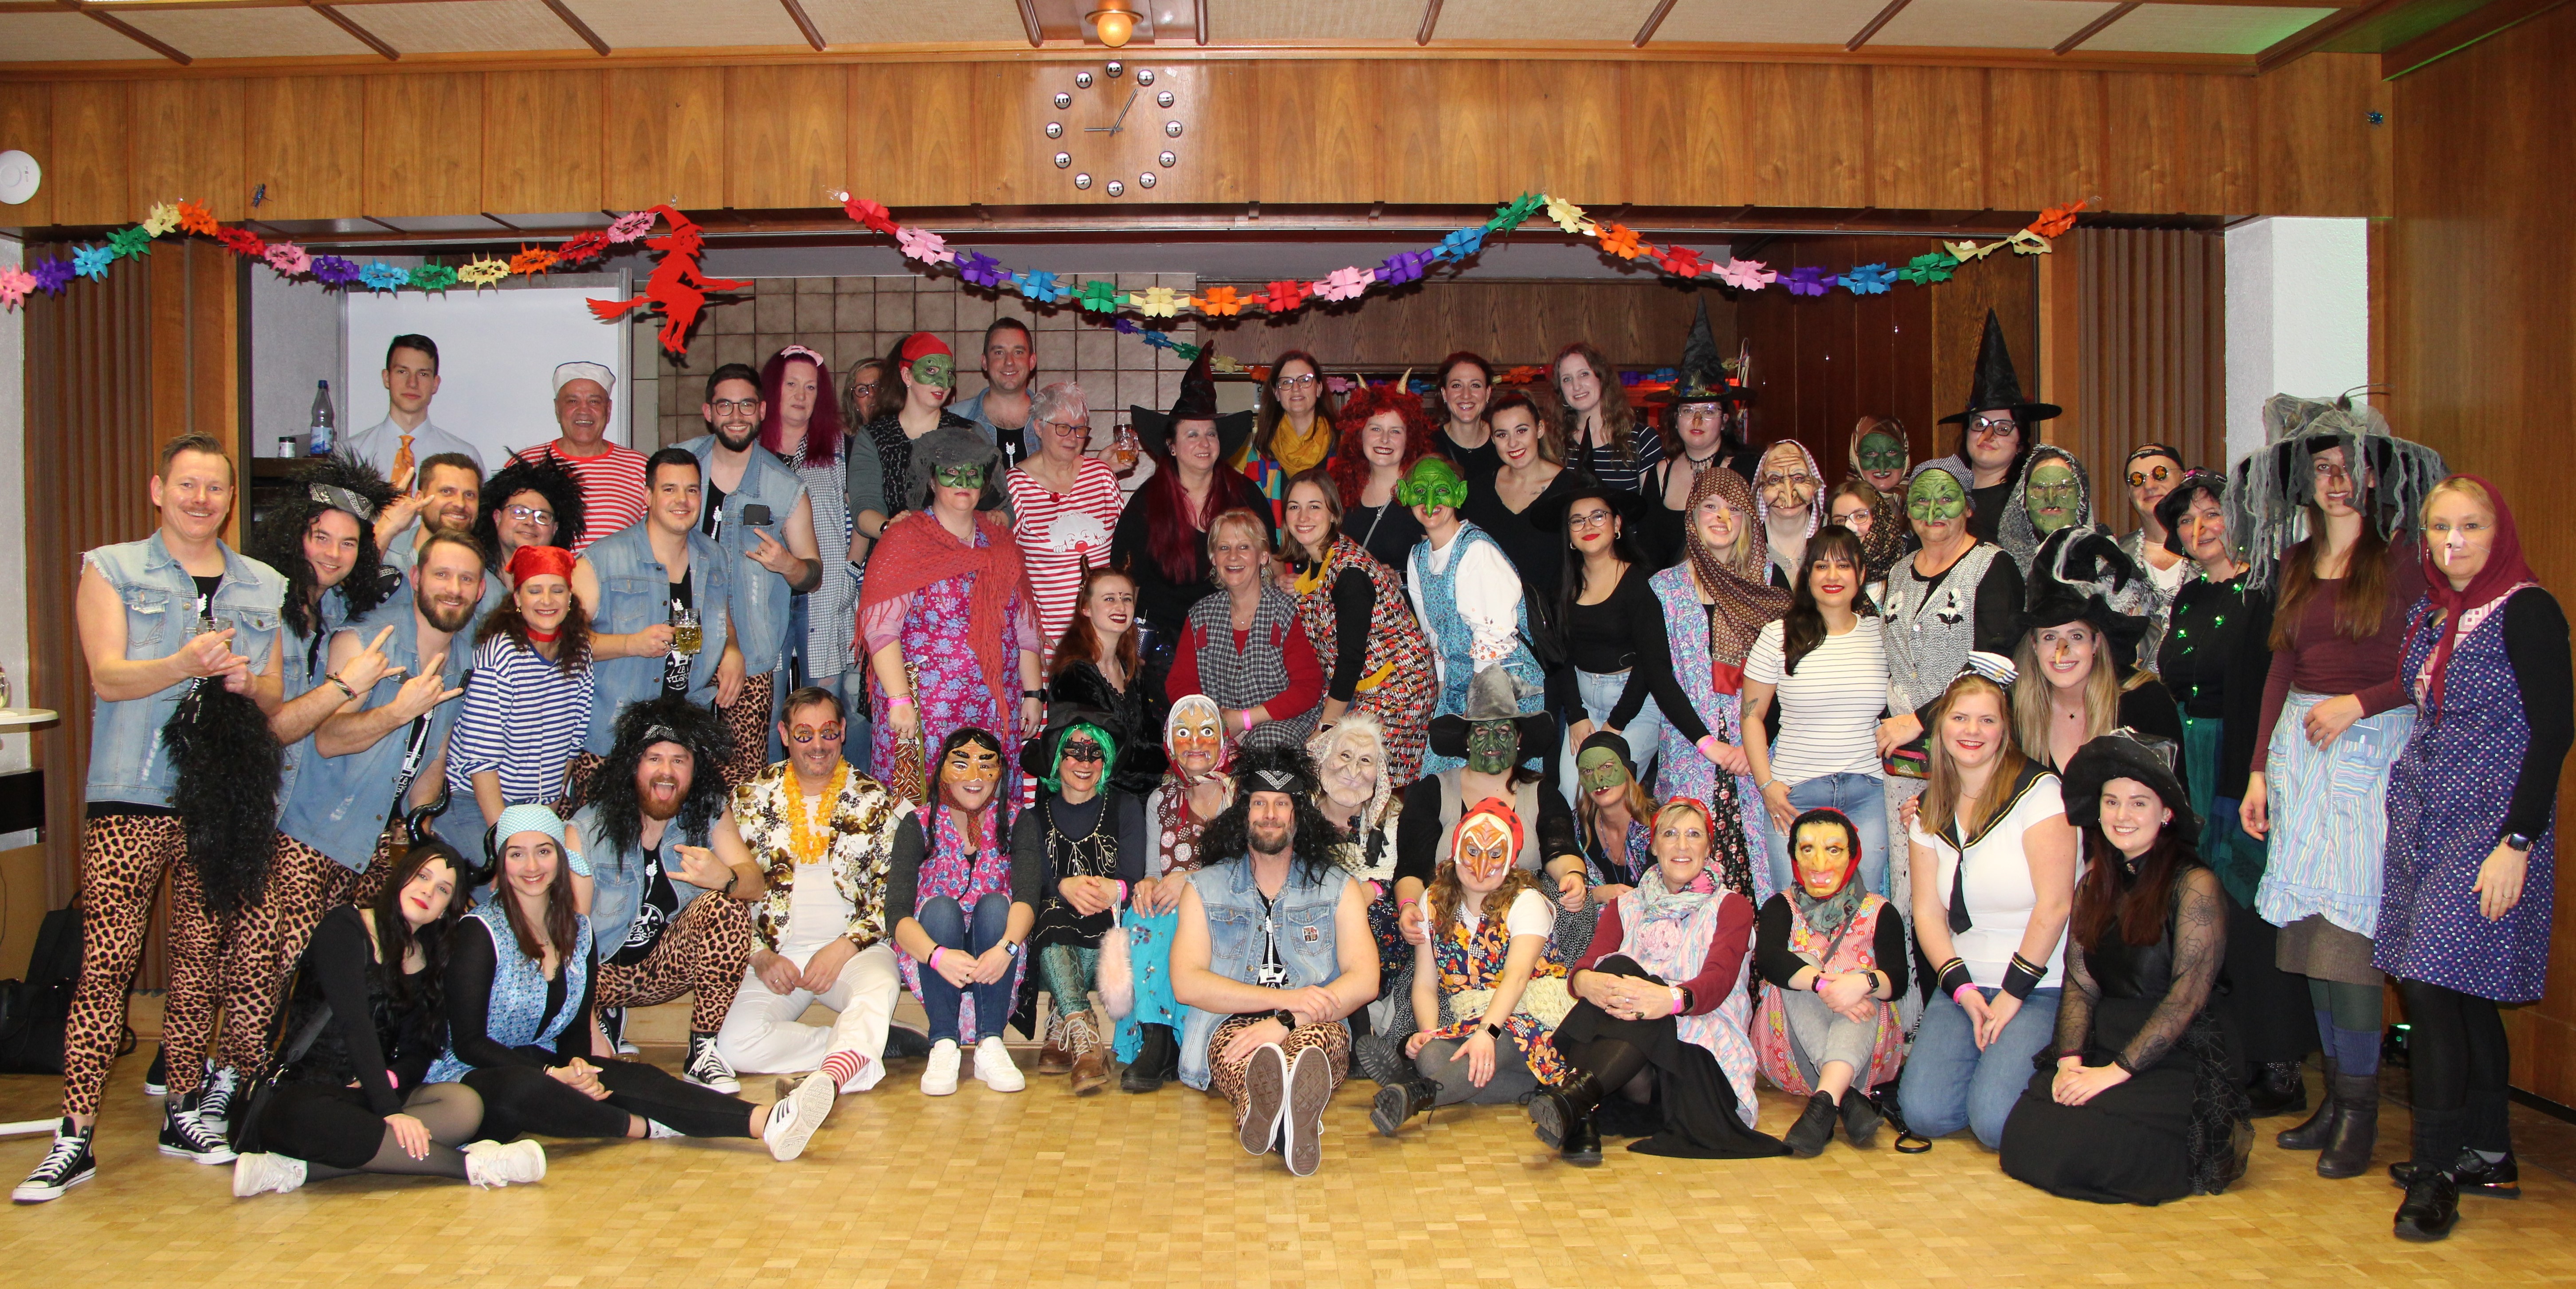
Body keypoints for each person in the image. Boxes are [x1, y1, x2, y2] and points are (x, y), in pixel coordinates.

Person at [12, 434, 290, 1202]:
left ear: (231, 500)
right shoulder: (111, 568)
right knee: (106, 966)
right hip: (130, 794)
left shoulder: (261, 582)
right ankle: (74, 1136)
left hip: (220, 798)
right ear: (158, 489)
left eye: (216, 489)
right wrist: (185, 663)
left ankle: (185, 1110)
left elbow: (273, 694)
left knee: (199, 966)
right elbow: (107, 674)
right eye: (188, 485)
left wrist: (244, 680)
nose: (203, 500)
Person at [2234, 394, 2443, 1179]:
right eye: (2322, 468)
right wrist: (2258, 767)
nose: (2336, 482)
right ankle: (2332, 1097)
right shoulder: (2292, 560)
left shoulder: (2404, 559)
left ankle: (2359, 1110)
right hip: (2298, 750)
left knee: (2349, 939)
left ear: (2375, 477)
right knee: (2309, 937)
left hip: (2370, 747)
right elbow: (2279, 668)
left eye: (2350, 467)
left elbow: (2427, 660)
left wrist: (2362, 702)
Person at [2377, 475, 2569, 1241]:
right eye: (2437, 528)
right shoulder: (2435, 611)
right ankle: (2487, 1151)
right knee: (2459, 994)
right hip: (2425, 818)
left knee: (2426, 986)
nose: (2452, 542)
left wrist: (2516, 843)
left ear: (2498, 532)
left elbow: (2554, 730)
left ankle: (2433, 1177)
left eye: (2469, 527)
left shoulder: (2526, 609)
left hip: (2488, 827)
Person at [424, 806, 827, 1161]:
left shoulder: (578, 931)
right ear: (502, 863)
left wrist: (577, 1065)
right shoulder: (479, 932)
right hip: (476, 1076)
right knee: (525, 1087)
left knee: (633, 1076)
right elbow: (467, 1043)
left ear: (561, 860)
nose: (532, 866)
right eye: (517, 854)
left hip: (545, 1067)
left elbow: (572, 1027)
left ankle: (768, 1121)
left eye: (543, 851)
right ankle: (644, 1126)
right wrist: (552, 1072)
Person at [2000, 733, 2250, 1203]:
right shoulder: (2095, 880)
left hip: (2175, 1050)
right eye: (2111, 802)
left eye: (2138, 803)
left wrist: (2113, 1074)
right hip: (2107, 1037)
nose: (2122, 816)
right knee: (2025, 1134)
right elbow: (2080, 983)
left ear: (2167, 813)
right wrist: (2070, 1062)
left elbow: (2187, 998)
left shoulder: (2196, 885)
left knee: (2092, 1149)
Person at [230, 841, 549, 1196]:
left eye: (443, 889)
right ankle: (477, 1166)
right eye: (422, 876)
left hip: (365, 1096)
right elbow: (355, 1023)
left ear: (446, 909)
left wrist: (391, 1079)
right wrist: (390, 1110)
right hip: (305, 1096)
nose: (429, 890)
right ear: (400, 878)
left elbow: (418, 1052)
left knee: (463, 1105)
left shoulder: (428, 960)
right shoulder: (345, 926)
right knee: (319, 1118)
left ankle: (292, 1171)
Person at [2152, 469, 2313, 1118]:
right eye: (2187, 522)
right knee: (2209, 914)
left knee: (2253, 913)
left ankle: (2281, 1065)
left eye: (2211, 513)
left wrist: (2259, 770)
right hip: (2192, 764)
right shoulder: (2189, 596)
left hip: (2246, 763)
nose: (2200, 529)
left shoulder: (2267, 589)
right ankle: (2234, 1054)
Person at [1527, 797, 1779, 1164]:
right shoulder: (1625, 905)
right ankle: (1578, 1105)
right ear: (1654, 845)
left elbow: (1718, 980)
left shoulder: (1731, 906)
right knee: (1615, 967)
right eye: (1670, 834)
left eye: (1693, 835)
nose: (1681, 845)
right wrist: (1585, 983)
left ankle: (1579, 1106)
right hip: (1633, 1063)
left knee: (1638, 986)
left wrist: (1668, 999)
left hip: (1699, 1048)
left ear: (1708, 847)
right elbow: (1585, 965)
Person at [1168, 746, 1377, 1177]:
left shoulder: (1338, 887)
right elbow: (1187, 983)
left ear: (1298, 817)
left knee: (1312, 1052)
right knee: (1250, 1057)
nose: (1269, 814)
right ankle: (1285, 1124)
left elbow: (1365, 980)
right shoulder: (1204, 888)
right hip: (1230, 1022)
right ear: (1241, 814)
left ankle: (1269, 1120)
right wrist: (1279, 1006)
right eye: (1259, 803)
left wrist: (1285, 1019)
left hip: (1310, 1021)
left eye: (1282, 805)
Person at [1900, 668, 2078, 1150]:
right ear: (1941, 728)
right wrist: (1962, 991)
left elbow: (2055, 905)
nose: (1972, 732)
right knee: (1924, 1114)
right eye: (1959, 718)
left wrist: (2012, 995)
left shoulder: (2042, 795)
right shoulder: (1929, 808)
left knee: (1996, 1126)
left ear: (2006, 730)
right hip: (1968, 980)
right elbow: (1928, 914)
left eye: (1986, 720)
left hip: (2039, 982)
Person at [716, 686, 915, 1105]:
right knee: (735, 1045)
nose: (818, 745)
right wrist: (757, 953)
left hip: (852, 949)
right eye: (804, 735)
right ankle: (852, 1047)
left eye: (828, 732)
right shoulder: (747, 798)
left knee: (880, 985)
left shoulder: (873, 799)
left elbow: (893, 891)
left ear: (843, 732)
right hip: (776, 953)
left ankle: (832, 1074)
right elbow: (728, 890)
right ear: (785, 735)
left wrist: (844, 947)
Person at [572, 698, 768, 1092]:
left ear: (694, 770)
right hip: (600, 974)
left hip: (665, 965)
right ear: (633, 765)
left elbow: (755, 882)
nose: (666, 772)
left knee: (726, 907)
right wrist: (586, 1025)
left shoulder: (707, 811)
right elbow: (570, 939)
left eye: (679, 760)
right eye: (654, 759)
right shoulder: (586, 827)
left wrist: (724, 877)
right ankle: (604, 1017)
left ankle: (702, 1050)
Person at [856, 425, 1043, 804]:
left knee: (988, 814)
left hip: (994, 709)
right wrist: (899, 701)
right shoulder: (904, 539)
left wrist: (1033, 693)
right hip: (925, 714)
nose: (963, 481)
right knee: (921, 816)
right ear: (931, 477)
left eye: (973, 473)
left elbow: (1024, 629)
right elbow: (881, 630)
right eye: (951, 472)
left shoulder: (1002, 541)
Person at [1876, 462, 2026, 917]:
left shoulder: (1994, 566)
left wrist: (1919, 720)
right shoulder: (1898, 573)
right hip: (1901, 763)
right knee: (1909, 885)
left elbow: (1996, 662)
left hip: (1968, 748)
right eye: (1920, 499)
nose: (1933, 510)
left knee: (1961, 874)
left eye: (1946, 497)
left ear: (1968, 506)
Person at [1372, 798, 1571, 1136]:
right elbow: (1425, 982)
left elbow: (1518, 977)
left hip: (1535, 1015)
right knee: (1433, 1056)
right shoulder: (1433, 899)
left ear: (1509, 859)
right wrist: (1428, 1031)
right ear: (1456, 849)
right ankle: (1534, 1089)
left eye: (1495, 854)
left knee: (1497, 1041)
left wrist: (1486, 1032)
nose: (1482, 865)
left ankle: (1414, 1093)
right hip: (1472, 1019)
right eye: (1472, 850)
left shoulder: (1527, 901)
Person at [1634, 466, 1788, 900]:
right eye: (1710, 506)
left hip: (1760, 753)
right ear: (1692, 515)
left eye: (1734, 508)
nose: (1721, 517)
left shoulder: (1769, 580)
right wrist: (1709, 744)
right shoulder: (1662, 589)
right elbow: (1658, 677)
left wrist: (1753, 744)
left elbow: (1787, 670)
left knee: (1766, 866)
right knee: (1689, 867)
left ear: (1747, 519)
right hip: (1690, 751)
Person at [568, 447, 749, 793]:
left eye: (692, 490)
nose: (682, 500)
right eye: (669, 489)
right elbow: (565, 644)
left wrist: (732, 648)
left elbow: (720, 619)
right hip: (615, 738)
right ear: (648, 496)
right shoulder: (601, 560)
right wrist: (631, 644)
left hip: (682, 737)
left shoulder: (713, 557)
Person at [685, 362, 823, 783]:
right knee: (678, 760)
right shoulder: (678, 468)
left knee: (743, 777)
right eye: (725, 405)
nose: (736, 415)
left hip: (754, 651)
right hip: (683, 638)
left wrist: (787, 564)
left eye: (746, 404)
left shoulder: (784, 486)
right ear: (709, 411)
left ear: (762, 410)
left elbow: (812, 574)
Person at [1742, 526, 1892, 898]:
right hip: (1794, 796)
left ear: (1860, 575)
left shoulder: (1882, 634)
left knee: (1863, 912)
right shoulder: (1777, 635)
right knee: (1794, 912)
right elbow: (1750, 716)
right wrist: (1766, 787)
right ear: (1806, 575)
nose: (1832, 576)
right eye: (1821, 566)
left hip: (1869, 793)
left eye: (1843, 566)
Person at [886, 727, 1035, 1095]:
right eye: (961, 765)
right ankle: (943, 1042)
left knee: (996, 905)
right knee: (939, 909)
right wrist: (938, 956)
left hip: (997, 944)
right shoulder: (916, 824)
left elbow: (1028, 899)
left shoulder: (1019, 821)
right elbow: (897, 914)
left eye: (985, 766)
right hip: (934, 947)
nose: (973, 778)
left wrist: (1007, 949)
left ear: (1000, 772)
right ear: (942, 771)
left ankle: (990, 1042)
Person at [1753, 807, 1909, 1157]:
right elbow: (1769, 961)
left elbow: (1897, 980)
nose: (1819, 861)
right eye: (1807, 849)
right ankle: (1847, 1095)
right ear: (1793, 855)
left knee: (1863, 986)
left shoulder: (1880, 911)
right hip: (1788, 1053)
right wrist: (1826, 985)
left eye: (1833, 849)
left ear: (1853, 855)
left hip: (1868, 1052)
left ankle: (1824, 1101)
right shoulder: (1780, 906)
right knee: (1801, 968)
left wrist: (1861, 983)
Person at [1114, 348, 1268, 694]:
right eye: (1192, 434)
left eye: (1210, 433)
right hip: (1162, 653)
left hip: (1238, 646)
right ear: (1171, 445)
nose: (1204, 443)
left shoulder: (1246, 495)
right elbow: (1127, 583)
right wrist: (1126, 645)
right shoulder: (1145, 504)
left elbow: (1271, 566)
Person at [1017, 710, 1147, 1094]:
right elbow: (1030, 882)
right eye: (1073, 752)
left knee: (1101, 921)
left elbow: (1132, 876)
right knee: (1051, 913)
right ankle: (1084, 1031)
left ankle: (1062, 1021)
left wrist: (1114, 889)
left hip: (1107, 937)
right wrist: (1062, 886)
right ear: (1058, 759)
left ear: (1105, 761)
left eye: (1095, 754)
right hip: (1047, 944)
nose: (1084, 763)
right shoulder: (1032, 817)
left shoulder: (1125, 808)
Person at [1278, 469, 1435, 783]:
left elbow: (1350, 659)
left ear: (1334, 513)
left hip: (1399, 689)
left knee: (1364, 779)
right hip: (1364, 687)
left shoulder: (1349, 571)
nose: (1303, 516)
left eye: (1314, 506)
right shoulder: (1318, 562)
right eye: (1294, 506)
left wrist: (1324, 729)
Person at [1113, 695, 1234, 1089]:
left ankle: (1167, 1041)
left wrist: (1192, 880)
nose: (1195, 741)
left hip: (1228, 908)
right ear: (1170, 742)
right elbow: (1153, 871)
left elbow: (1250, 872)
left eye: (1206, 732)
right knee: (1143, 909)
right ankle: (1157, 1036)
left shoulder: (1242, 798)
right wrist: (1148, 883)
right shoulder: (1160, 800)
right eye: (1183, 732)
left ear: (1222, 740)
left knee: (1178, 912)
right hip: (1169, 910)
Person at [1404, 457, 1546, 776]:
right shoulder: (1418, 557)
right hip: (1460, 682)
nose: (1430, 503)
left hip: (1503, 686)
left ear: (1458, 494)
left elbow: (1493, 637)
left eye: (1440, 490)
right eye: (1419, 491)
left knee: (1493, 777)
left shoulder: (1476, 551)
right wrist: (1443, 688)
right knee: (1443, 778)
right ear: (1405, 495)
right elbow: (1435, 632)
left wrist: (1480, 712)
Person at [1534, 483, 1664, 809]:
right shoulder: (1563, 583)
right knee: (1570, 793)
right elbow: (1560, 657)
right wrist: (1577, 717)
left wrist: (1615, 725)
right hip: (1584, 702)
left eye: (1597, 516)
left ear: (1617, 524)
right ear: (1568, 533)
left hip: (1635, 706)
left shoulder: (1642, 583)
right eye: (1577, 520)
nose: (1588, 526)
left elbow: (1650, 665)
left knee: (1611, 792)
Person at [447, 545, 593, 826]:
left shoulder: (581, 653)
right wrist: (507, 838)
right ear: (517, 598)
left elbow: (572, 743)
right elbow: (481, 760)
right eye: (535, 591)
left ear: (570, 598)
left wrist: (546, 817)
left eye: (558, 590)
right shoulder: (500, 654)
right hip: (474, 798)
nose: (547, 601)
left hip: (539, 804)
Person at [758, 346, 868, 708]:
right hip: (764, 592)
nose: (800, 396)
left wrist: (851, 572)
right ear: (773, 389)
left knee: (825, 703)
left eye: (810, 388)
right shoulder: (751, 449)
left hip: (825, 591)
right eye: (791, 384)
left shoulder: (840, 448)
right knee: (768, 704)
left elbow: (863, 514)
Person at [1167, 507, 1324, 754]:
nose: (1233, 557)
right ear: (1214, 558)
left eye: (1244, 547)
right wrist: (1210, 722)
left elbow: (1307, 688)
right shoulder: (1200, 616)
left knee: (1266, 742)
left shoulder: (1289, 612)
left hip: (1281, 723)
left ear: (1263, 557)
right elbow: (1180, 683)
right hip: (1219, 722)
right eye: (1224, 548)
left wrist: (1245, 720)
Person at [2011, 585, 2185, 776]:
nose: (2062, 651)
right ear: (2035, 646)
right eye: (2050, 637)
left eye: (2076, 636)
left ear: (2096, 644)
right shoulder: (2016, 710)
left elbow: (2173, 797)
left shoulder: (2144, 702)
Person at [1003, 380, 1123, 654]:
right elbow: (1004, 568)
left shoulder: (1101, 476)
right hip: (1049, 640)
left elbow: (1127, 548)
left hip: (1107, 637)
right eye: (1062, 428)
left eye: (1080, 429)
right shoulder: (1016, 486)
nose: (1073, 438)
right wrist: (1027, 625)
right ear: (1038, 428)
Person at [1642, 300, 1759, 566]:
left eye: (1708, 410)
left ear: (1725, 419)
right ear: (1675, 418)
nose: (1697, 419)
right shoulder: (1660, 473)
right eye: (1688, 410)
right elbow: (1647, 551)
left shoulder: (1747, 467)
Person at [1927, 311, 2052, 544]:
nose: (1987, 435)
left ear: (2020, 444)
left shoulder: (2026, 502)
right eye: (1979, 424)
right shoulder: (1941, 492)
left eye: (2003, 428)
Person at [1043, 565, 1158, 795]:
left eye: (1127, 599)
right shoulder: (1073, 674)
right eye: (1109, 599)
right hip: (1092, 799)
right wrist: (1170, 756)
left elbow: (1150, 731)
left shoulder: (1130, 668)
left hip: (1138, 792)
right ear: (1086, 608)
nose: (1120, 606)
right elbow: (1102, 754)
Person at [1463, 390, 1583, 609]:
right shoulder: (1477, 491)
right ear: (1493, 439)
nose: (1513, 443)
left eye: (1521, 431)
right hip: (1492, 625)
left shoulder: (1573, 488)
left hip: (1556, 625)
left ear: (1540, 429)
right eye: (1502, 435)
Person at [513, 361, 648, 554]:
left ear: (608, 410)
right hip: (542, 583)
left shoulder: (640, 467)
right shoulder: (527, 464)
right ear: (557, 409)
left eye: (594, 402)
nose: (584, 410)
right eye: (572, 401)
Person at [856, 332, 980, 537]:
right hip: (894, 556)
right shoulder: (874, 436)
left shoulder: (968, 433)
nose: (942, 382)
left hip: (957, 556)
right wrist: (892, 529)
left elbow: (999, 503)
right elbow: (864, 506)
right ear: (907, 376)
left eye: (949, 374)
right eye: (931, 370)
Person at [343, 333, 484, 485]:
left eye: (423, 374)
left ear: (435, 384)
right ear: (386, 378)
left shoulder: (464, 458)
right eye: (402, 372)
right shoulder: (351, 455)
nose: (412, 383)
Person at [1327, 384, 1437, 572]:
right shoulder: (1341, 488)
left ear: (1409, 439)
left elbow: (1439, 567)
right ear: (1360, 435)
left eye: (1395, 431)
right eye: (1376, 429)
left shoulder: (1425, 493)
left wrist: (1401, 579)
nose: (1385, 439)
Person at [1235, 350, 1338, 518]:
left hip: (1331, 543)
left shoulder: (1343, 445)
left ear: (1319, 388)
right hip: (1279, 543)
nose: (1296, 389)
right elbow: (1252, 517)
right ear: (1277, 393)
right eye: (1286, 382)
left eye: (1305, 380)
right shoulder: (1261, 452)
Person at [1551, 341, 1660, 495]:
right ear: (1560, 390)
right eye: (1567, 379)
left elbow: (1652, 510)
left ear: (1602, 378)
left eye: (1584, 374)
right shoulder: (1554, 443)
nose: (1577, 386)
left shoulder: (1643, 440)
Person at [2117, 444, 2192, 662]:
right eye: (2137, 480)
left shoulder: (2213, 553)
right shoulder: (2111, 559)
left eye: (2160, 474)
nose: (2149, 485)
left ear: (2184, 480)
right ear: (2130, 494)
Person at [469, 454, 585, 577]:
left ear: (555, 529)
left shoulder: (565, 587)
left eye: (542, 517)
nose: (530, 522)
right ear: (497, 517)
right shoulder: (473, 574)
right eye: (519, 512)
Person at [1571, 731, 1654, 900]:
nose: (1598, 779)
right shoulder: (1577, 829)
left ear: (1627, 771)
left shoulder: (1658, 826)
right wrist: (1594, 895)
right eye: (1588, 771)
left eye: (1607, 767)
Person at [953, 317, 1039, 468]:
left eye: (1018, 352)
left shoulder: (1054, 423)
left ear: (1032, 361)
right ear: (985, 362)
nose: (1009, 361)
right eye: (999, 352)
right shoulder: (953, 421)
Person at [377, 453, 482, 572]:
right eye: (447, 491)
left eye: (469, 495)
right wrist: (384, 531)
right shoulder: (383, 557)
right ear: (420, 500)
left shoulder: (491, 587)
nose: (460, 504)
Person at [1840, 417, 1914, 586]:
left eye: (1892, 452)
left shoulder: (1921, 508)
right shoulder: (1840, 510)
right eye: (1870, 454)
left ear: (1905, 455)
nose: (1882, 465)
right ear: (1856, 458)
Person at [1755, 439, 1824, 589]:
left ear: (1814, 484)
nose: (1788, 493)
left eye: (1798, 478)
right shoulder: (1748, 542)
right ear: (1761, 488)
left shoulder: (1829, 535)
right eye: (1774, 480)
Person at [1431, 351, 1501, 480]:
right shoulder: (1428, 445)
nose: (1466, 395)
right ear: (1444, 393)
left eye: (1475, 385)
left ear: (1487, 393)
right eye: (1457, 385)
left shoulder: (1503, 440)